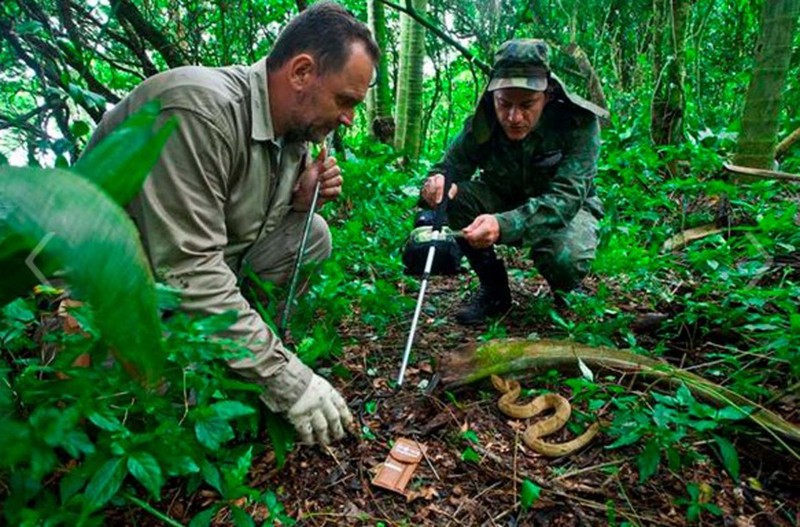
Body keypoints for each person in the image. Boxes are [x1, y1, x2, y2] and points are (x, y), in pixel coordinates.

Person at [82, 2, 380, 445]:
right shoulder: (198, 111)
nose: (350, 118)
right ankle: (228, 364)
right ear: (301, 72)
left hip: (171, 284)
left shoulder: (292, 131)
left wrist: (298, 202)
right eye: (345, 100)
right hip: (102, 299)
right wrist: (288, 381)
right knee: (157, 409)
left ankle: (239, 354)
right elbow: (189, 268)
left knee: (311, 235)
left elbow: (239, 230)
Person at [420, 39, 608, 325]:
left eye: (527, 104)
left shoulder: (578, 122)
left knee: (565, 259)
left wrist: (502, 224)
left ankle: (566, 289)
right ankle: (494, 291)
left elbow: (567, 199)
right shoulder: (483, 121)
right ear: (493, 96)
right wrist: (438, 184)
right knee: (456, 198)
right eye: (504, 103)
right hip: (503, 196)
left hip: (566, 209)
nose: (514, 117)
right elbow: (449, 168)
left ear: (547, 94)